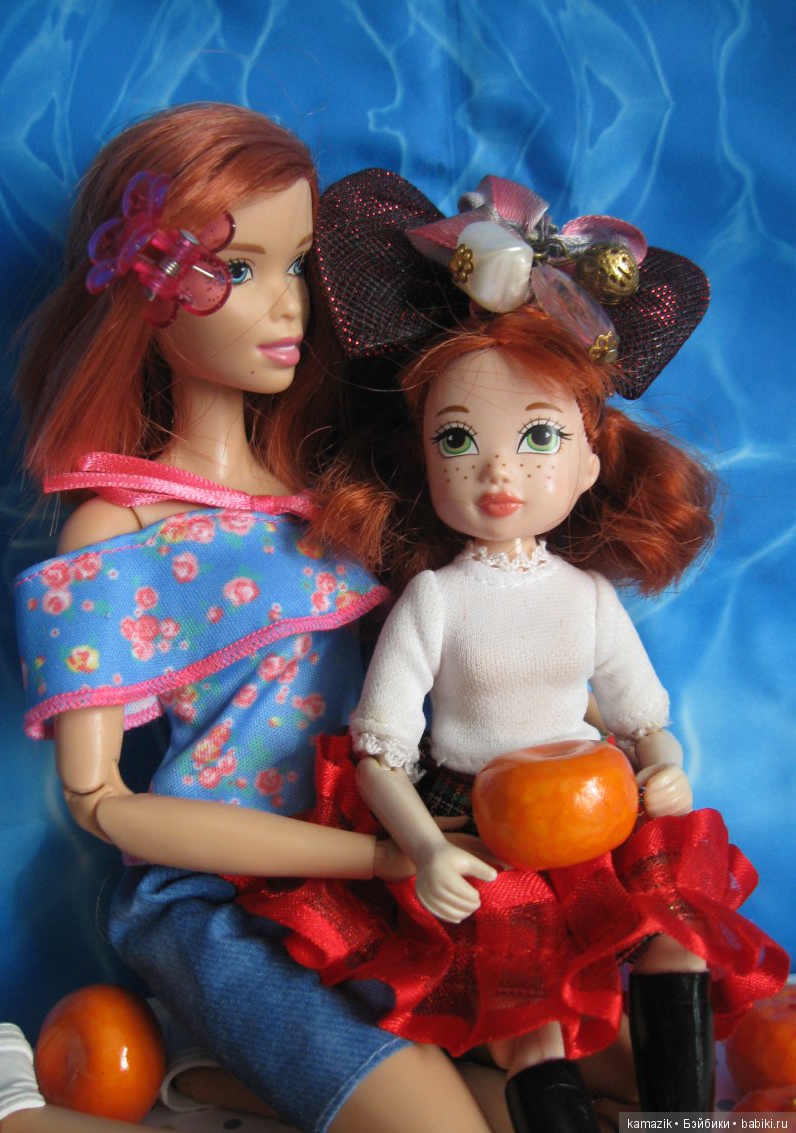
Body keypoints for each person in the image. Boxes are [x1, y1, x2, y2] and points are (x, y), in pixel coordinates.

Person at [0, 105, 512, 1133]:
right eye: (240, 268)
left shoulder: (323, 494)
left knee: (537, 1107)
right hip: (218, 901)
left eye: (298, 265)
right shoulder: (119, 526)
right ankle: (0, 1109)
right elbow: (101, 802)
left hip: (368, 886)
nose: (289, 303)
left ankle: (209, 1085)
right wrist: (381, 856)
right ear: (144, 289)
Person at [232, 171, 790, 1133]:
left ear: (589, 460)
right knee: (532, 1021)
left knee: (677, 941)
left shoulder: (587, 598)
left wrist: (663, 765)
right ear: (424, 458)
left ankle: (685, 1123)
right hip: (480, 827)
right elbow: (378, 752)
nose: (499, 468)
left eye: (539, 437)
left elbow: (641, 716)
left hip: (596, 809)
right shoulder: (436, 600)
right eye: (459, 439)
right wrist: (421, 847)